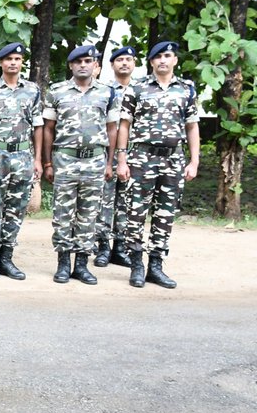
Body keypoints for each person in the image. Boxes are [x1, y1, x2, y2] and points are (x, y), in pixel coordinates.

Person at [116, 40, 200, 289]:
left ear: (175, 60)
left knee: (165, 214)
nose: (163, 60)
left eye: (168, 56)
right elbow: (124, 124)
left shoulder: (186, 90)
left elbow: (192, 126)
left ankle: (156, 265)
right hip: (142, 158)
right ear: (151, 62)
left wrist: (194, 161)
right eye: (158, 56)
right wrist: (122, 159)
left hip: (173, 158)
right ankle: (137, 266)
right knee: (135, 213)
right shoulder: (137, 88)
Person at [42, 45, 118, 285]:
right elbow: (48, 130)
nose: (83, 65)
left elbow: (112, 129)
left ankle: (82, 265)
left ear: (95, 64)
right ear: (71, 65)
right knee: (63, 214)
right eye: (78, 61)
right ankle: (63, 264)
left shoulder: (107, 93)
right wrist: (47, 162)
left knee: (89, 215)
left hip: (95, 160)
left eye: (88, 61)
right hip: (65, 159)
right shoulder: (57, 92)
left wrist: (109, 161)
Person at [0, 43, 43, 281]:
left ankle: (7, 257)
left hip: (22, 155)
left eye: (17, 58)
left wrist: (37, 159)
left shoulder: (32, 90)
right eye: (8, 59)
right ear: (1, 62)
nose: (13, 62)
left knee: (16, 209)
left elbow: (38, 126)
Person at [95, 45, 141, 268]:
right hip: (108, 153)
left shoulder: (143, 90)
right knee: (105, 201)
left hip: (136, 154)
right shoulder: (104, 90)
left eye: (129, 59)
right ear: (112, 65)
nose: (125, 63)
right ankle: (102, 246)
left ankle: (120, 248)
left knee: (127, 202)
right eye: (120, 59)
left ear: (134, 64)